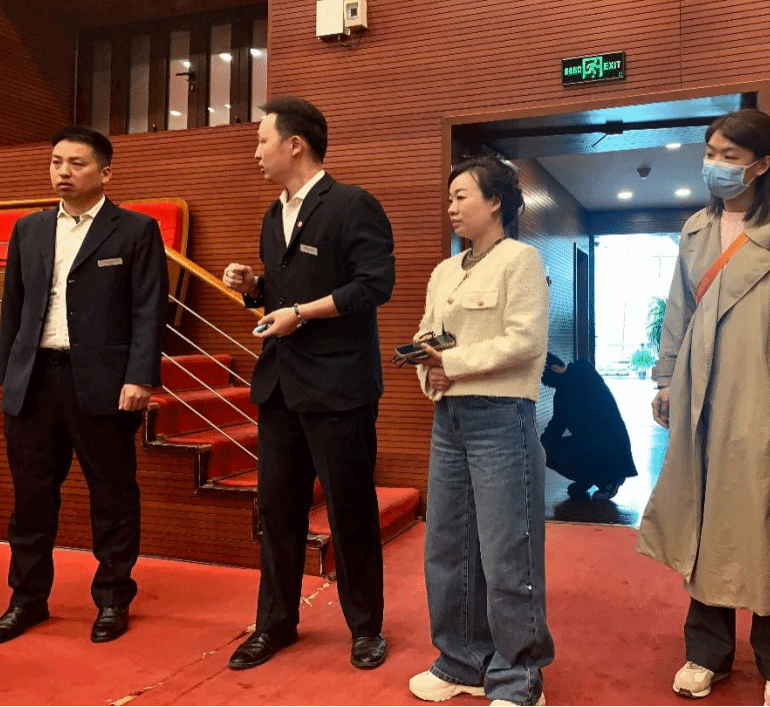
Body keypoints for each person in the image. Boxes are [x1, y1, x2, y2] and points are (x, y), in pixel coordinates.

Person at [636, 110, 770, 706]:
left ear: (762, 164)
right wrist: (666, 380)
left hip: (765, 398)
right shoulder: (696, 228)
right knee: (705, 520)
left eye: (729, 156)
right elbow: (678, 312)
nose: (715, 165)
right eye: (711, 152)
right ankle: (707, 652)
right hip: (702, 396)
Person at [222, 96, 395, 671]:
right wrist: (254, 287)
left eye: (262, 140)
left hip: (340, 387)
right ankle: (275, 623)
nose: (256, 153)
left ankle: (365, 628)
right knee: (276, 511)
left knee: (350, 511)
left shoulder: (352, 205)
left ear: (295, 144)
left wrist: (301, 313)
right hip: (279, 386)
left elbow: (374, 285)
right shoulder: (272, 215)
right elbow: (282, 293)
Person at [0, 126, 168, 646]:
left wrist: (140, 376)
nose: (63, 172)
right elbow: (12, 307)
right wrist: (9, 375)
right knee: (31, 499)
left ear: (105, 172)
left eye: (76, 163)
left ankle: (112, 599)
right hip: (34, 383)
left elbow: (149, 308)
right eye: (56, 162)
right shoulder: (29, 229)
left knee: (112, 495)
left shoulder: (135, 230)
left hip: (104, 385)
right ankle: (26, 599)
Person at [407, 157, 554, 707]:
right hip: (449, 417)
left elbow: (525, 340)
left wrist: (454, 363)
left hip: (501, 417)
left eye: (461, 196)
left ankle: (519, 679)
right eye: (449, 198)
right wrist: (430, 367)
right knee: (446, 546)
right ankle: (461, 661)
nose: (451, 207)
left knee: (507, 551)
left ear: (495, 202)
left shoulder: (521, 260)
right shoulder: (444, 271)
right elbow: (426, 335)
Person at [540, 353, 637, 500]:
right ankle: (587, 478)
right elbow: (555, 429)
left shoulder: (581, 372)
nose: (546, 384)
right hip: (597, 445)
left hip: (611, 448)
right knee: (547, 447)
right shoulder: (566, 389)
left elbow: (555, 429)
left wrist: (537, 446)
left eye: (545, 379)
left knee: (548, 449)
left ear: (554, 368)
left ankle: (608, 480)